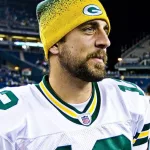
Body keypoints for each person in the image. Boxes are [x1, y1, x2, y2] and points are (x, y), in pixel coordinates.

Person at [0, 0, 150, 149]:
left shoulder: (130, 100)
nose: (105, 41)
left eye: (105, 30)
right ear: (55, 44)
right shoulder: (9, 115)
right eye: (89, 29)